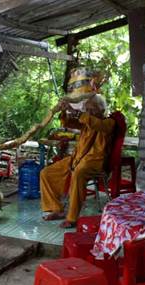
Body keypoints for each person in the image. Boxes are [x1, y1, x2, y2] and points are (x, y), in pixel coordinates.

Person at [39, 68, 115, 228]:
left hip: (94, 162)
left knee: (79, 173)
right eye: (86, 109)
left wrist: (80, 113)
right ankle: (56, 209)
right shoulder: (87, 122)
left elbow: (97, 124)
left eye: (90, 109)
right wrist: (66, 111)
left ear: (100, 109)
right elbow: (68, 123)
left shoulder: (108, 122)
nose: (87, 111)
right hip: (76, 159)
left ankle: (72, 218)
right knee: (46, 173)